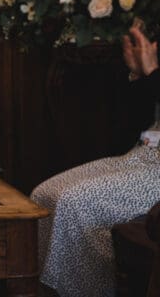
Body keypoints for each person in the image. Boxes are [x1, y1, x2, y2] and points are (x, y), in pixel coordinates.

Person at [32, 22, 160, 296]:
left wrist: (151, 75)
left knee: (76, 204)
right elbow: (132, 126)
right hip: (144, 153)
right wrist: (139, 76)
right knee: (43, 196)